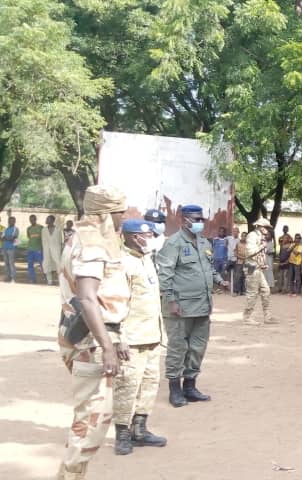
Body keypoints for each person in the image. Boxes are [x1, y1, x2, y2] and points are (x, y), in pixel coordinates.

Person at [54, 185, 130, 479]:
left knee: (89, 419)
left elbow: (103, 298)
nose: (123, 218)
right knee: (91, 424)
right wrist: (107, 346)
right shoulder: (92, 244)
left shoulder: (82, 237)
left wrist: (116, 337)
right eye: (120, 212)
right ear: (106, 214)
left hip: (91, 337)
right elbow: (87, 298)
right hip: (90, 343)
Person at [157, 204, 228, 408]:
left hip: (202, 305)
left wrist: (219, 279)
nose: (199, 223)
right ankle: (175, 389)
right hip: (180, 307)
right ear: (184, 220)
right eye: (195, 219)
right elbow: (165, 274)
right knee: (178, 348)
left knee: (197, 348)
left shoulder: (204, 241)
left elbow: (209, 267)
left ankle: (190, 386)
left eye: (201, 219)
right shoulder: (174, 243)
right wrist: (171, 300)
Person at [113, 219, 168, 456]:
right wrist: (119, 337)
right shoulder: (122, 263)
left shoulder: (145, 260)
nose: (152, 238)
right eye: (149, 235)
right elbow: (116, 305)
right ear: (136, 237)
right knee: (127, 386)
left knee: (149, 384)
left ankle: (140, 428)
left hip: (152, 335)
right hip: (132, 339)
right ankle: (122, 434)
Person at [243, 218, 276, 325]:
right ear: (260, 227)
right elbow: (250, 252)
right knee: (252, 293)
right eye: (266, 227)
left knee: (266, 290)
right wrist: (262, 246)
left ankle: (267, 316)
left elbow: (259, 255)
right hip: (252, 268)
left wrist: (263, 264)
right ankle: (247, 317)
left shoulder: (261, 237)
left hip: (258, 268)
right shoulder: (252, 236)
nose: (268, 229)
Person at [42, 215, 64, 285]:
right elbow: (43, 240)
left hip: (56, 249)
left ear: (52, 220)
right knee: (47, 264)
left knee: (58, 264)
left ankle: (61, 281)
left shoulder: (58, 229)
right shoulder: (43, 230)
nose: (46, 220)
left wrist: (61, 250)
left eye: (47, 219)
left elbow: (61, 241)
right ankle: (49, 281)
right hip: (46, 250)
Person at [24, 214, 43, 283]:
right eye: (30, 219)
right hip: (30, 249)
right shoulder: (28, 228)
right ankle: (32, 278)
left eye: (33, 219)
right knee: (30, 264)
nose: (31, 220)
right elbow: (29, 237)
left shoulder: (41, 227)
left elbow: (43, 238)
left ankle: (47, 277)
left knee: (42, 264)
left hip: (38, 249)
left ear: (35, 219)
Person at [3, 216, 19, 282]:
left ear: (14, 221)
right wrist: (8, 238)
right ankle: (8, 276)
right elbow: (1, 238)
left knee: (11, 263)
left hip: (12, 248)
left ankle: (13, 278)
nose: (10, 222)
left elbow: (13, 238)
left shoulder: (16, 229)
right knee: (6, 263)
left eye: (12, 221)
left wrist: (6, 238)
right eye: (9, 220)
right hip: (5, 248)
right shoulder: (5, 229)